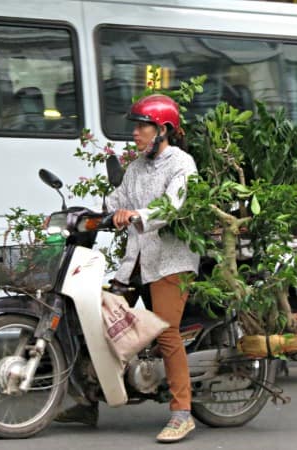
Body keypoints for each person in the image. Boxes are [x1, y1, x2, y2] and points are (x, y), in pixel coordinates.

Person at [56, 94, 199, 443]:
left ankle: (182, 413)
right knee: (92, 319)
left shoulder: (182, 164)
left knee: (167, 332)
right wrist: (82, 216)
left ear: (162, 130)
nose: (135, 133)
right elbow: (115, 202)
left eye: (141, 127)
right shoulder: (136, 168)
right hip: (136, 260)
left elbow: (174, 206)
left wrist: (137, 216)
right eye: (135, 127)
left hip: (171, 260)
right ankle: (89, 401)